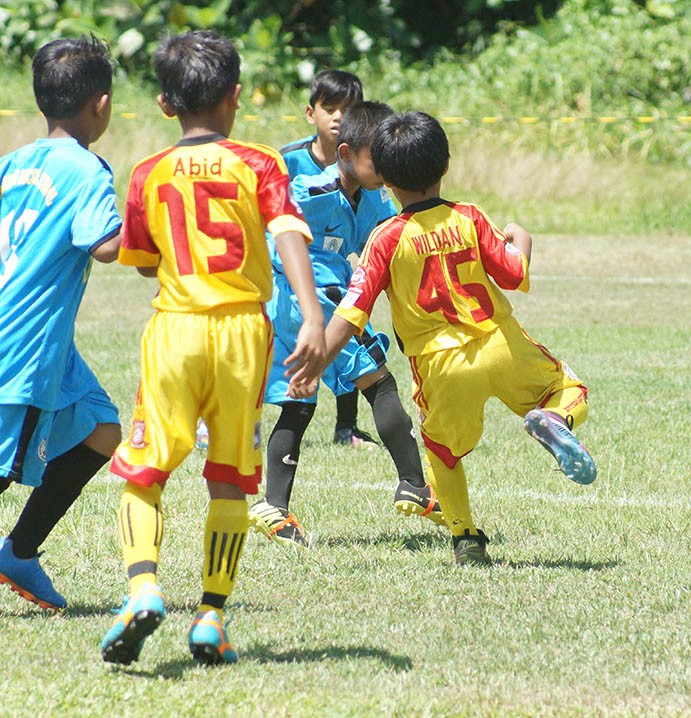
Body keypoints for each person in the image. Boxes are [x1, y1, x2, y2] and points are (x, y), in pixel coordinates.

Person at [100, 30, 325, 667]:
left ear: (166, 105)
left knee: (143, 472)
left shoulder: (148, 172)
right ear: (234, 96)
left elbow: (143, 261)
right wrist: (310, 314)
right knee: (229, 480)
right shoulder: (260, 163)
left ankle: (143, 586)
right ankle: (210, 617)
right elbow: (287, 233)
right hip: (243, 336)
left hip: (174, 330)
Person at [294, 111, 596, 566]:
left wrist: (316, 362)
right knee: (569, 390)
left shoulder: (385, 238)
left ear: (386, 178)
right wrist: (521, 237)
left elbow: (351, 314)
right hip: (500, 343)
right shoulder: (470, 218)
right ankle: (557, 421)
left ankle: (466, 537)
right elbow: (514, 273)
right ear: (446, 165)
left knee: (441, 452)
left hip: (441, 367)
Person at [250, 100, 444, 548]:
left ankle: (274, 508)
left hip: (324, 302)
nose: (386, 171)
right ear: (345, 155)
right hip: (308, 306)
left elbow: (393, 236)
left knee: (300, 402)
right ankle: (414, 484)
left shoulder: (373, 197)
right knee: (379, 382)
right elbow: (268, 217)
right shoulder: (310, 193)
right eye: (378, 162)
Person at [0, 37, 122, 611]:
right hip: (24, 345)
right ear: (100, 104)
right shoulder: (88, 170)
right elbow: (104, 247)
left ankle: (18, 553)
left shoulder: (15, 162)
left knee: (102, 430)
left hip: (51, 345)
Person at [279, 69, 373, 448]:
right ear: (310, 113)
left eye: (347, 110)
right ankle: (236, 419)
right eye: (329, 108)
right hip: (288, 273)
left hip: (337, 270)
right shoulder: (290, 161)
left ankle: (346, 427)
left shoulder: (366, 163)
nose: (337, 118)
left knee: (349, 326)